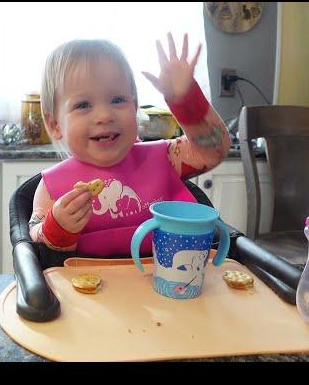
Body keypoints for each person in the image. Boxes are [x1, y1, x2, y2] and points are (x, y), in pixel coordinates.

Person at [29, 34, 230, 256]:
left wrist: (187, 101)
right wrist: (58, 227)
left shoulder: (165, 159)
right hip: (87, 288)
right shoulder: (52, 187)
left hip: (169, 284)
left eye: (117, 100)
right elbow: (33, 234)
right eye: (83, 105)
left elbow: (212, 150)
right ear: (55, 124)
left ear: (134, 107)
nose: (104, 115)